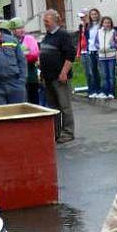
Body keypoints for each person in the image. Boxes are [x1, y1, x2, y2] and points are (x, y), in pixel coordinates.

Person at [40, 9, 76, 143]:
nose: (45, 23)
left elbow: (70, 55)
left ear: (55, 21)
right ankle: (56, 132)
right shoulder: (47, 36)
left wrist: (64, 72)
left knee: (64, 106)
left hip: (59, 77)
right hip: (48, 78)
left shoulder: (63, 35)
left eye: (46, 21)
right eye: (44, 21)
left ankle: (68, 132)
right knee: (53, 107)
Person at [10, 17, 40, 106]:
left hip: (31, 76)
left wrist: (20, 57)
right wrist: (25, 53)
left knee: (34, 102)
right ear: (13, 30)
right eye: (19, 28)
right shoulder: (10, 41)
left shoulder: (29, 39)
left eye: (23, 27)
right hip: (16, 78)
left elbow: (34, 54)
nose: (22, 30)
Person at [97, 16, 117, 99]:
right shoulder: (99, 32)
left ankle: (111, 92)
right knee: (104, 76)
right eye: (105, 22)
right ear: (102, 23)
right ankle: (104, 92)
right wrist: (99, 47)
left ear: (111, 24)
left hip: (111, 56)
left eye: (109, 22)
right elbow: (96, 42)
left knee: (111, 76)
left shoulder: (113, 32)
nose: (107, 24)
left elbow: (116, 44)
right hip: (102, 56)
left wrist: (112, 46)